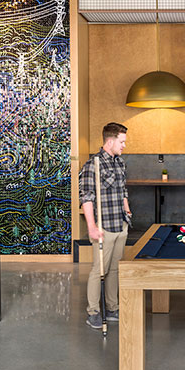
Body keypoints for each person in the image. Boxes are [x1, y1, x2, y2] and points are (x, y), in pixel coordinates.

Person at [78, 122, 132, 330]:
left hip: (121, 223)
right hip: (104, 227)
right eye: (122, 141)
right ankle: (93, 312)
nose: (124, 145)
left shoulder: (120, 163)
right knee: (99, 269)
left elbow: (123, 190)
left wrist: (127, 209)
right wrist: (91, 226)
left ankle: (112, 308)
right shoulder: (93, 165)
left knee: (115, 269)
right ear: (110, 141)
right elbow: (87, 198)